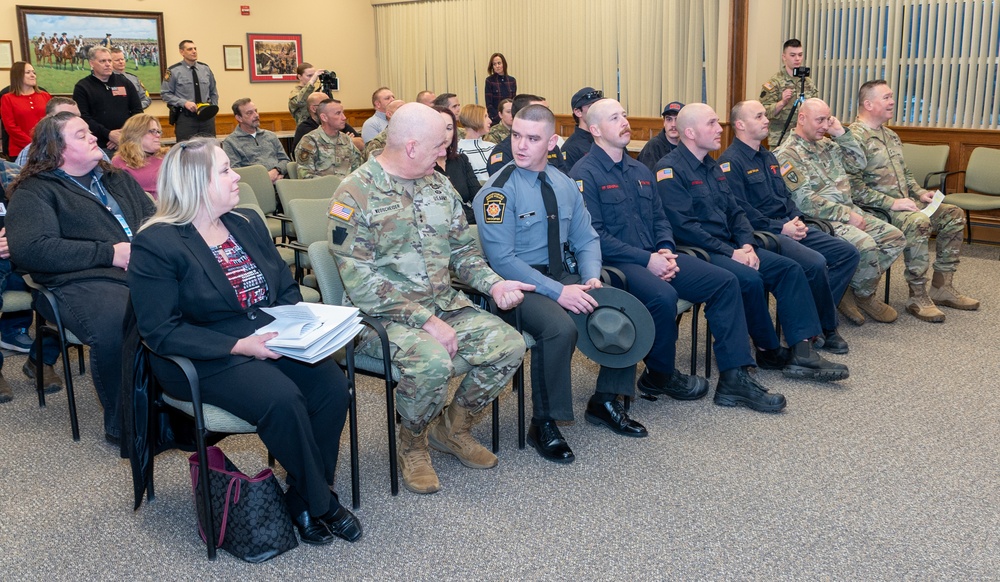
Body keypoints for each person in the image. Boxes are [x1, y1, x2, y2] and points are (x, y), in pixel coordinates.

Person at [127, 138, 361, 545]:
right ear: (196, 183)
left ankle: (303, 498)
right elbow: (161, 330)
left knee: (331, 387)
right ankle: (323, 505)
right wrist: (239, 346)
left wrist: (300, 327)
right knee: (282, 399)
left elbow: (284, 286)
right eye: (224, 171)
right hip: (202, 352)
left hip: (268, 335)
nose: (237, 177)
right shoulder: (157, 243)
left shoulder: (245, 222)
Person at [328, 103, 531, 495]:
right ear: (410, 145)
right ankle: (413, 443)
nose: (444, 153)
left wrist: (492, 284)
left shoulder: (438, 185)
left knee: (509, 345)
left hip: (443, 303)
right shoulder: (355, 193)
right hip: (380, 318)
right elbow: (360, 280)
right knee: (432, 362)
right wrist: (425, 321)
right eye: (439, 145)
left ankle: (452, 429)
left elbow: (462, 253)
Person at [571, 99, 787, 413]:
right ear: (595, 129)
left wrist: (666, 251)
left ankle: (734, 378)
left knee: (726, 282)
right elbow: (595, 237)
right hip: (616, 262)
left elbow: (661, 219)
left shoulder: (638, 169)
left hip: (657, 256)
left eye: (625, 115)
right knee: (662, 295)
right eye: (615, 117)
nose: (625, 122)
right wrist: (649, 261)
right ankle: (660, 374)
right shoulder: (584, 174)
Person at [476, 103, 648, 461]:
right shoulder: (498, 191)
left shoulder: (564, 183)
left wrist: (590, 276)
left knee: (620, 306)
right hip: (515, 285)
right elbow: (503, 260)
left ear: (552, 141)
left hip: (564, 273)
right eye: (516, 136)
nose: (521, 145)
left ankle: (605, 400)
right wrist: (560, 293)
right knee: (559, 328)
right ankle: (544, 422)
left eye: (533, 138)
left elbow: (586, 238)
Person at [656, 103, 849, 382]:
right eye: (711, 123)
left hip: (733, 245)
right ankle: (767, 348)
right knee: (749, 278)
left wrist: (746, 245)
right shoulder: (670, 170)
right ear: (689, 132)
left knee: (788, 269)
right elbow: (685, 228)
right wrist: (732, 251)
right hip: (703, 252)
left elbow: (736, 212)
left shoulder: (711, 166)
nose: (719, 128)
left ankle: (803, 349)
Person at [5, 112, 156, 444]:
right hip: (77, 279)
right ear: (57, 149)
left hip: (139, 268)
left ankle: (176, 404)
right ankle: (129, 423)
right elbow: (31, 249)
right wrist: (109, 253)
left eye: (90, 131)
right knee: (120, 322)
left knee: (192, 300)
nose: (93, 138)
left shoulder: (116, 178)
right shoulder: (35, 191)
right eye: (81, 134)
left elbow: (151, 219)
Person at [719, 100, 860, 352]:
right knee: (815, 262)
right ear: (740, 125)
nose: (766, 120)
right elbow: (740, 212)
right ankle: (826, 327)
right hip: (765, 233)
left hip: (789, 225)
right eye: (759, 116)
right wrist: (782, 228)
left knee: (847, 253)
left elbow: (785, 196)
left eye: (765, 115)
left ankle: (810, 320)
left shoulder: (768, 155)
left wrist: (797, 220)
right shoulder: (730, 163)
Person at [848, 80, 979, 319]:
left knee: (953, 214)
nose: (892, 101)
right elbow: (853, 188)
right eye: (886, 97)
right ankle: (917, 295)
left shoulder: (890, 135)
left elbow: (904, 173)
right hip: (876, 209)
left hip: (905, 203)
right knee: (918, 221)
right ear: (868, 103)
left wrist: (920, 193)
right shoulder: (853, 138)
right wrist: (893, 203)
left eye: (892, 97)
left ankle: (942, 287)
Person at [774, 98, 906, 325]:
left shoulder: (827, 145)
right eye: (820, 120)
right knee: (865, 244)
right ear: (802, 118)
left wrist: (841, 133)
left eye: (828, 119)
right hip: (820, 221)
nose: (825, 125)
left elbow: (858, 164)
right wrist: (847, 215)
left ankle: (857, 292)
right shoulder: (787, 154)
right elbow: (805, 202)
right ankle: (855, 290)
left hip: (850, 211)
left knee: (895, 238)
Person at [0, 161, 63, 403]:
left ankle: (41, 360)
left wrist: (20, 239)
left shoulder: (15, 173)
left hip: (25, 253)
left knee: (69, 285)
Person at [73, 47, 143, 151]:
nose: (108, 64)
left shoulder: (125, 82)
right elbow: (83, 117)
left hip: (127, 142)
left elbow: (137, 112)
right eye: (103, 61)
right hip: (98, 145)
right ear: (91, 63)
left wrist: (122, 135)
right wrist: (108, 134)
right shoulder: (83, 87)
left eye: (109, 60)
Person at [487, 94, 567, 176]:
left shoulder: (550, 145)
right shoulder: (503, 154)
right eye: (538, 112)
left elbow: (563, 178)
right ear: (521, 115)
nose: (546, 115)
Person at [760, 39, 819, 146]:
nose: (797, 59)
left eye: (800, 55)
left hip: (804, 139)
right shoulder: (774, 83)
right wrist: (782, 102)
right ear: (784, 57)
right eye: (792, 55)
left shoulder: (808, 83)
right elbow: (764, 113)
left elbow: (816, 109)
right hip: (781, 139)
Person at [161, 40, 219, 141]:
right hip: (186, 118)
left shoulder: (205, 69)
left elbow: (213, 92)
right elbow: (165, 94)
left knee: (210, 148)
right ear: (182, 52)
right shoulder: (173, 71)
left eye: (195, 49)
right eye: (190, 49)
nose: (194, 51)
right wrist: (184, 103)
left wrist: (212, 108)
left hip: (206, 118)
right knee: (186, 150)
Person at [222, 98, 290, 183]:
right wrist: (264, 177)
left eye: (256, 111)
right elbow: (236, 171)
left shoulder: (270, 136)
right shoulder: (231, 142)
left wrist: (276, 171)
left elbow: (285, 160)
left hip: (280, 181)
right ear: (239, 118)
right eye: (249, 113)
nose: (256, 115)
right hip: (254, 186)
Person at [294, 98, 362, 180]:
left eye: (343, 113)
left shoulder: (346, 140)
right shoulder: (310, 141)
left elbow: (358, 168)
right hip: (322, 190)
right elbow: (306, 177)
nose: (344, 117)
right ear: (324, 117)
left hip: (347, 189)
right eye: (338, 113)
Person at [434, 107, 481, 224]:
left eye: (449, 128)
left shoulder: (461, 160)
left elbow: (478, 197)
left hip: (468, 224)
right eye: (438, 128)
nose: (445, 134)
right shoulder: (420, 166)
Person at [14, 98, 92, 167]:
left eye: (78, 116)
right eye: (65, 117)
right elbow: (20, 180)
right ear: (49, 119)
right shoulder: (30, 153)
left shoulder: (91, 146)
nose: (76, 121)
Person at [1, 62, 51, 158]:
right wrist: (33, 144)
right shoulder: (7, 98)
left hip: (47, 148)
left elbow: (53, 120)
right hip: (20, 151)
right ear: (18, 75)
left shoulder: (45, 96)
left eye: (34, 72)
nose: (33, 75)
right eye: (28, 72)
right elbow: (10, 127)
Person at [110, 114, 169, 198]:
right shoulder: (120, 161)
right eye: (152, 131)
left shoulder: (167, 156)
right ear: (136, 134)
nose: (158, 135)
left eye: (158, 131)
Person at [561, 87, 603, 169]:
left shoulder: (609, 138)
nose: (598, 111)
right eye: (591, 107)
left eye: (599, 106)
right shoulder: (571, 147)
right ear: (578, 112)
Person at [637, 101, 682, 171]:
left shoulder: (690, 145)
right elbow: (650, 178)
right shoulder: (653, 146)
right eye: (669, 119)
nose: (673, 124)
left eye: (677, 119)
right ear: (664, 122)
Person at [457, 104, 494, 181]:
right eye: (485, 116)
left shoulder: (492, 147)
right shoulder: (458, 150)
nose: (490, 121)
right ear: (475, 119)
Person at [484, 53, 517, 125]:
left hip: (510, 119)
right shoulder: (489, 80)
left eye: (499, 63)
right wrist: (499, 118)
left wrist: (509, 117)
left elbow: (513, 102)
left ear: (504, 64)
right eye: (494, 64)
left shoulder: (512, 80)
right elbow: (489, 104)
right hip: (495, 120)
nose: (497, 66)